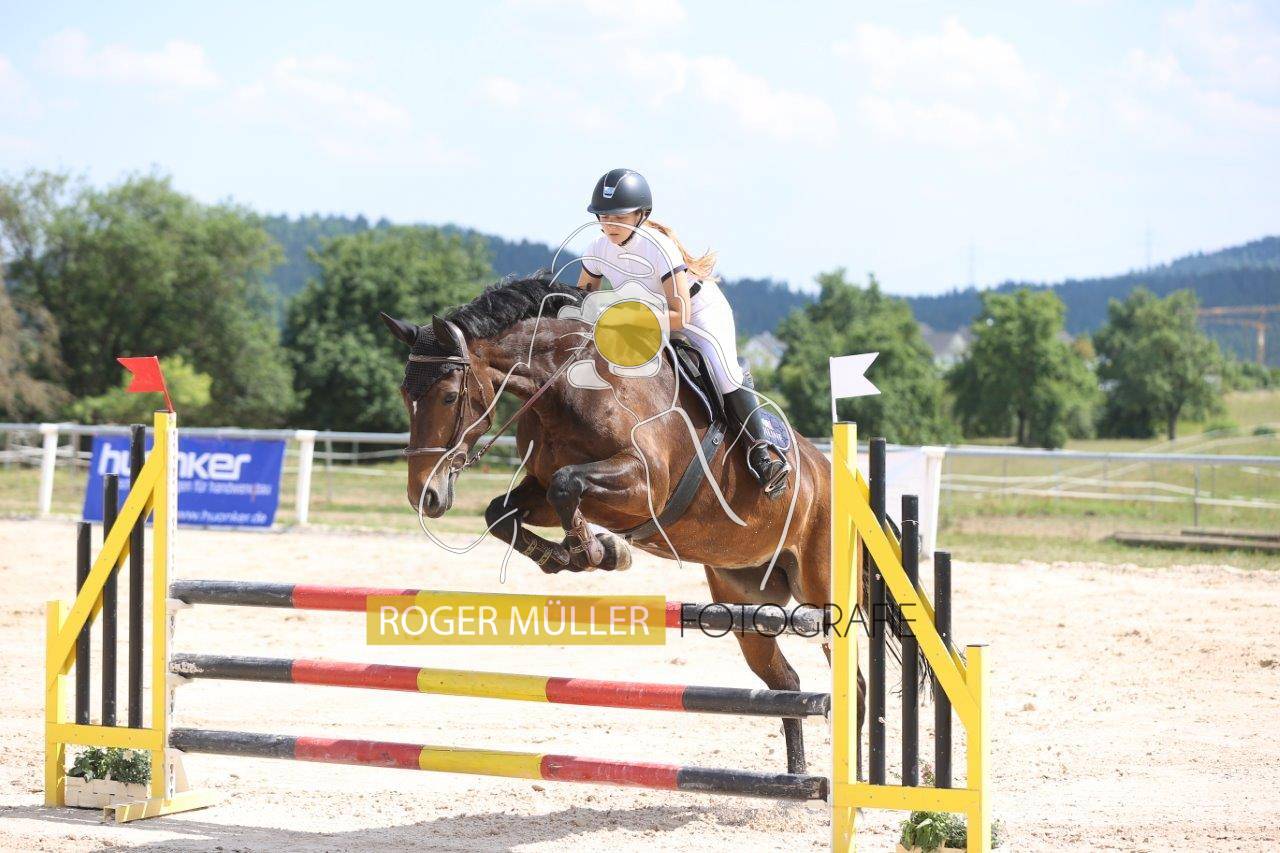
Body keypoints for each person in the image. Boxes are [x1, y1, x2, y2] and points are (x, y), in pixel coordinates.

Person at [577, 167, 790, 496]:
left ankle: (763, 455)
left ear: (641, 214)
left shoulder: (658, 246)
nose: (609, 224)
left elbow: (679, 316)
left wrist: (623, 317)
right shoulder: (596, 248)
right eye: (603, 216)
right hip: (647, 316)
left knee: (725, 374)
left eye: (619, 216)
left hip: (697, 312)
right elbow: (582, 303)